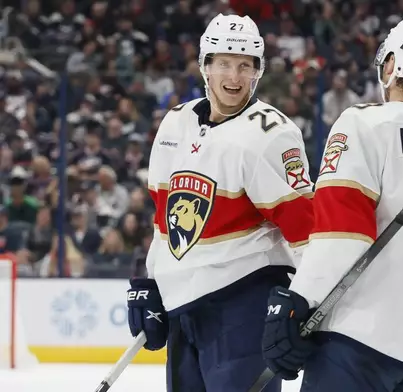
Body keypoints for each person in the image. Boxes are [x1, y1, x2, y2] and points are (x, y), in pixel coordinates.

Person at [262, 15, 403, 392]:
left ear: (392, 64)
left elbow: (341, 234)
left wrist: (298, 299)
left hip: (366, 339)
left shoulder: (365, 124)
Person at [126, 14, 314, 392]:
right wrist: (152, 281)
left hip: (244, 306)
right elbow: (164, 221)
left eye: (245, 66)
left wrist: (304, 302)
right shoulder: (175, 124)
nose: (234, 76)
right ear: (204, 66)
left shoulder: (273, 134)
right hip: (184, 308)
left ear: (257, 72)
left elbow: (306, 231)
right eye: (224, 63)